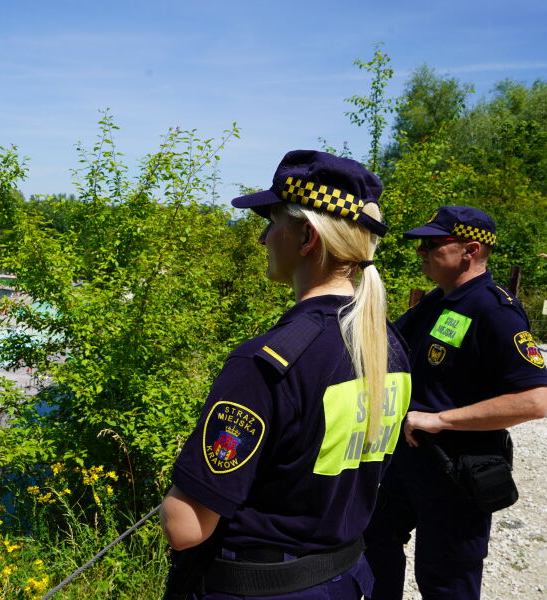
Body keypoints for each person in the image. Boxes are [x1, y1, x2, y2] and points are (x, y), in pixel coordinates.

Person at [160, 150, 411, 599]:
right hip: (348, 579)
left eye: (272, 221)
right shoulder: (387, 346)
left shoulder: (264, 365)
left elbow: (186, 527)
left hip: (261, 587)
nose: (262, 238)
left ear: (306, 238)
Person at [364, 206, 547, 600]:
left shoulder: (495, 310)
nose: (422, 253)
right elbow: (386, 343)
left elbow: (535, 401)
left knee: (446, 577)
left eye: (432, 244)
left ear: (470, 249)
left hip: (457, 469)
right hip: (409, 461)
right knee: (375, 540)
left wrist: (442, 420)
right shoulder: (438, 301)